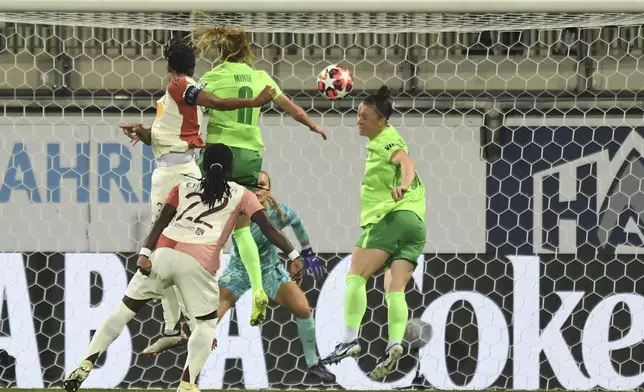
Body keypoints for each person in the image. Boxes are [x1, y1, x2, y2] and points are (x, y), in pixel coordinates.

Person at [63, 144, 306, 392]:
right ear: (230, 169)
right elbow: (268, 227)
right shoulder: (242, 194)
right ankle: (187, 384)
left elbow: (160, 222)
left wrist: (145, 253)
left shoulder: (183, 187)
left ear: (203, 166)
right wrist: (294, 254)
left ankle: (86, 361)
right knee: (206, 324)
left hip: (164, 253)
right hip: (199, 261)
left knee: (124, 309)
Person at [120, 36, 275, 355]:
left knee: (167, 248)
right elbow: (174, 134)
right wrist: (145, 133)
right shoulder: (175, 92)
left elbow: (214, 103)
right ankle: (188, 325)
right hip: (172, 168)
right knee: (179, 248)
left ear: (168, 66)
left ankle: (183, 326)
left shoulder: (181, 86)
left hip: (177, 173)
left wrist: (252, 101)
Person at [190, 25, 327, 327]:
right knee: (243, 222)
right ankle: (257, 290)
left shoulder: (211, 77)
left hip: (218, 155)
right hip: (250, 156)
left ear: (220, 50)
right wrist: (312, 125)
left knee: (203, 216)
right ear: (247, 50)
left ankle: (190, 284)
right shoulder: (261, 78)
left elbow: (194, 109)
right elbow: (290, 107)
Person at [320, 86, 427, 381]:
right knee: (394, 289)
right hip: (416, 225)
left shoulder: (385, 141)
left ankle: (349, 340)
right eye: (357, 115)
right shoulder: (384, 138)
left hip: (390, 218)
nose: (359, 120)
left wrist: (403, 186)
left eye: (364, 116)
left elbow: (407, 161)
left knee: (356, 277)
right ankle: (394, 343)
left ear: (381, 120)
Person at [217, 170, 335, 382]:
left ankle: (313, 363)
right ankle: (192, 361)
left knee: (303, 308)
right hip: (239, 268)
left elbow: (297, 222)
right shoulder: (237, 210)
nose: (259, 189)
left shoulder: (279, 213)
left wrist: (306, 252)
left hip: (270, 268)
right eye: (254, 185)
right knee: (212, 314)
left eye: (263, 185)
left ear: (269, 190)